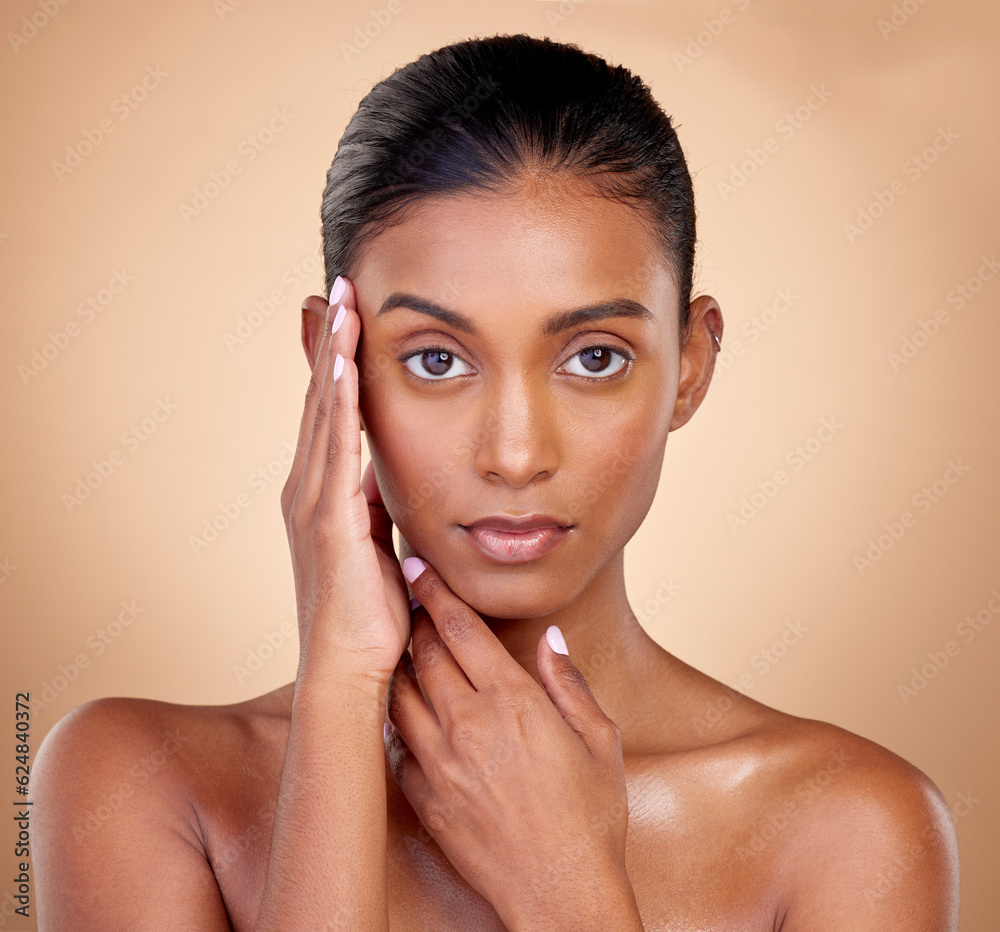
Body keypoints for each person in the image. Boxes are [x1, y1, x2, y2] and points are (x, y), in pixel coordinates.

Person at [30, 33, 959, 931]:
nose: (515, 455)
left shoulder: (851, 829)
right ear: (334, 369)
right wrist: (341, 690)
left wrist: (567, 891)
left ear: (689, 367)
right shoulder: (133, 781)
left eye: (594, 357)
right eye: (436, 360)